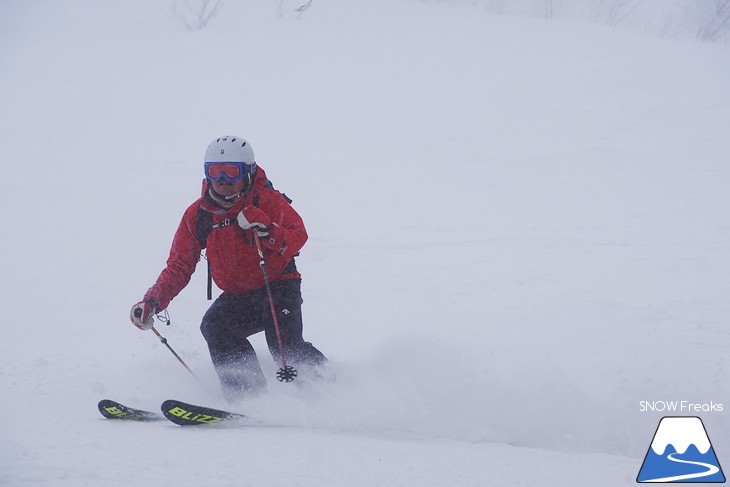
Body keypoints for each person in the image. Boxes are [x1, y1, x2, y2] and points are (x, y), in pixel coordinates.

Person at [130, 135, 327, 401]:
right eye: (214, 172)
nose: (222, 180)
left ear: (247, 172)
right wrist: (153, 301)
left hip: (278, 286)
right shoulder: (199, 214)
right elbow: (180, 264)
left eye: (231, 171)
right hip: (238, 296)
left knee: (285, 348)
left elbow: (297, 237)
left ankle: (328, 390)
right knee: (216, 325)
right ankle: (248, 398)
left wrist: (267, 228)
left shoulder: (267, 202)